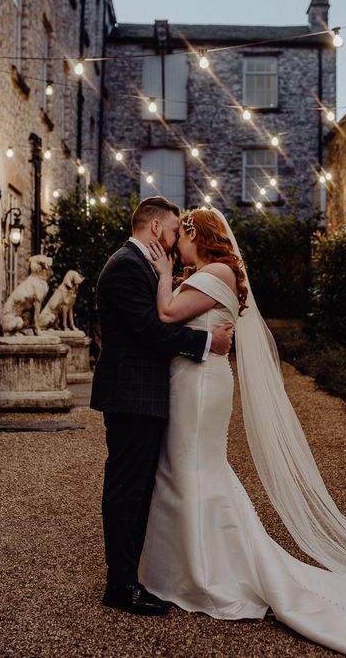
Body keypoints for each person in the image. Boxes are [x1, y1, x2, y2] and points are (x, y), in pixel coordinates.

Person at [139, 206, 346, 657]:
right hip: (196, 382)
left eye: (180, 237)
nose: (173, 245)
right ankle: (194, 565)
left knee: (193, 469)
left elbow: (167, 314)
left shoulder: (215, 272)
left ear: (197, 236)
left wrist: (164, 272)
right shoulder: (215, 273)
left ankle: (213, 573)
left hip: (201, 387)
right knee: (189, 470)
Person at [90, 196, 234, 616]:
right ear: (156, 229)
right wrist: (209, 342)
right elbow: (150, 330)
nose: (175, 240)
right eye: (173, 231)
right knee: (127, 488)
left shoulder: (141, 266)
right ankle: (121, 586)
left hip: (144, 394)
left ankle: (134, 576)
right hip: (132, 396)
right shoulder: (125, 267)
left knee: (140, 487)